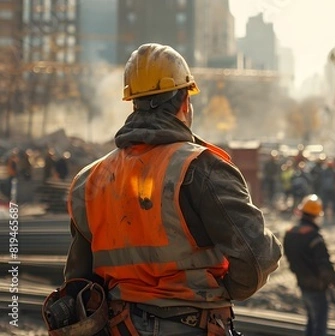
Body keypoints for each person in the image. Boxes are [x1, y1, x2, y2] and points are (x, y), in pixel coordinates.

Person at [47, 43, 282, 336]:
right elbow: (258, 257)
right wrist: (218, 291)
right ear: (185, 101)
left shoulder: (90, 179)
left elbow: (78, 281)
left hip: (119, 326)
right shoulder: (201, 168)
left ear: (133, 103)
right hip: (191, 325)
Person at [283, 194, 335, 336]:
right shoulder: (314, 237)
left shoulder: (290, 233)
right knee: (319, 327)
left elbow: (290, 260)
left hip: (302, 284)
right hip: (317, 288)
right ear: (316, 215)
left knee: (310, 321)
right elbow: (325, 268)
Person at [319, 160, 335, 224]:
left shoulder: (334, 171)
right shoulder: (324, 171)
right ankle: (325, 213)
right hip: (326, 189)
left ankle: (334, 214)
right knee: (325, 202)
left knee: (333, 202)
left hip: (332, 189)